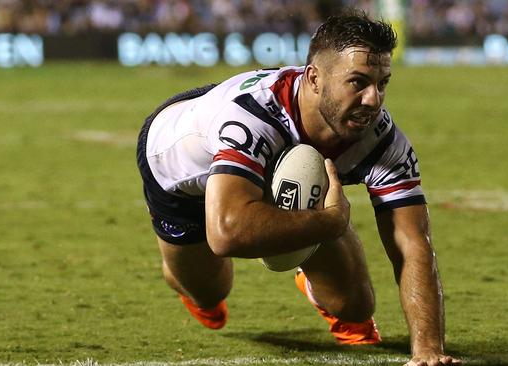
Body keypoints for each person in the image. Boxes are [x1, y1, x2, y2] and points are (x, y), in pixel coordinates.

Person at [136, 10, 461, 366]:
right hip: (182, 176)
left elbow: (412, 243)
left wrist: (428, 349)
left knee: (355, 306)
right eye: (358, 82)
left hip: (277, 163)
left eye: (381, 83)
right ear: (315, 79)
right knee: (210, 290)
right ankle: (184, 277)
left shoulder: (384, 141)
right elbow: (226, 233)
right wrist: (330, 222)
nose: (373, 99)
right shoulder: (252, 117)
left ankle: (311, 280)